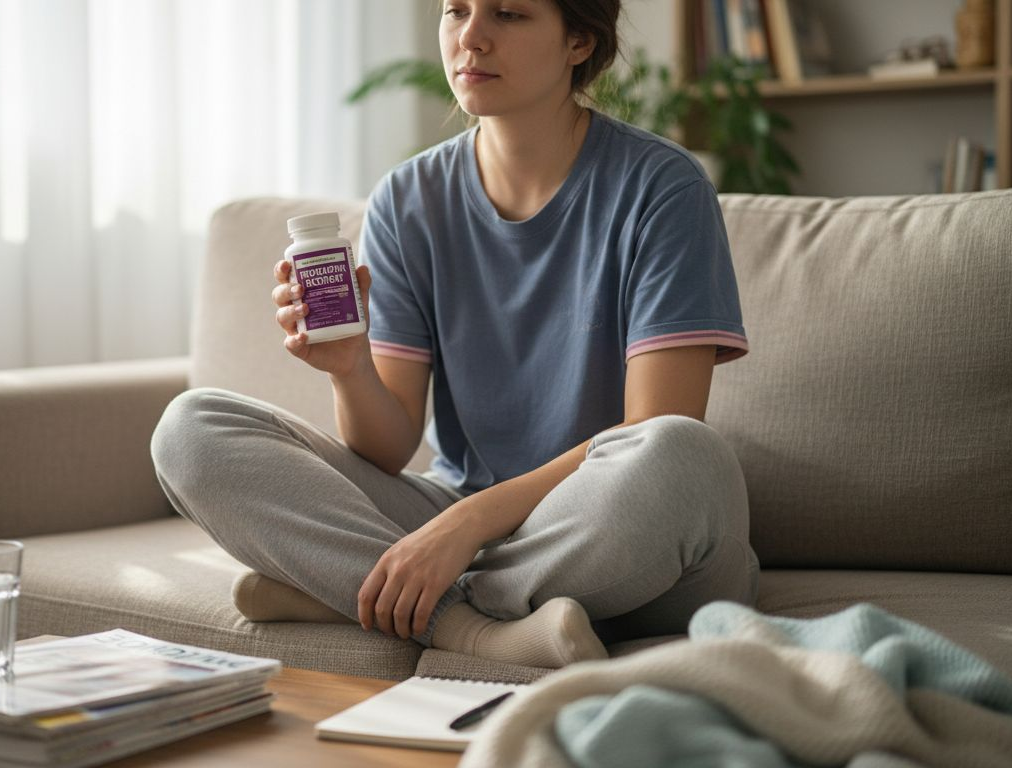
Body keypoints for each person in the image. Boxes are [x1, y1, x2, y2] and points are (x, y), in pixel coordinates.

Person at [151, 0, 758, 669]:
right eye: (456, 10)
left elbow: (653, 426)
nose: (470, 37)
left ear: (579, 41)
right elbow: (387, 447)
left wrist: (463, 529)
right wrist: (349, 369)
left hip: (615, 532)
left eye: (507, 14)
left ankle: (356, 590)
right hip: (458, 514)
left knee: (682, 454)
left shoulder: (662, 188)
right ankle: (469, 626)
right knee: (191, 428)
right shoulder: (409, 199)